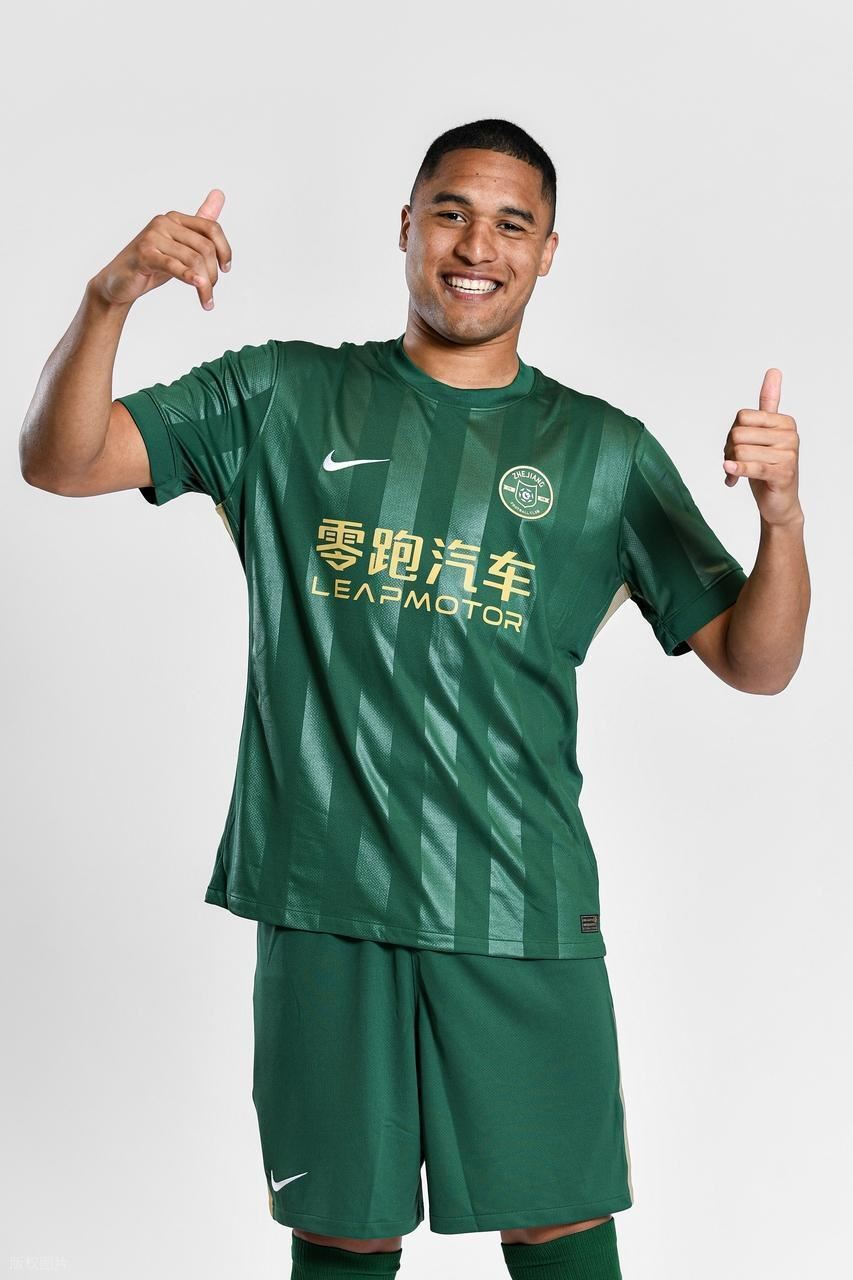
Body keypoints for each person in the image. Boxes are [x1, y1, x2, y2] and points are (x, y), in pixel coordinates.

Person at [19, 118, 809, 1280]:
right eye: (451, 212)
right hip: (324, 893)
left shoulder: (603, 452)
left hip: (518, 901)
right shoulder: (283, 393)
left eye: (511, 224)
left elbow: (756, 659)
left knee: (557, 1216)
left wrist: (781, 519)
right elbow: (61, 458)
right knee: (344, 1225)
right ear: (405, 226)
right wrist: (109, 299)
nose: (476, 246)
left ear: (547, 252)